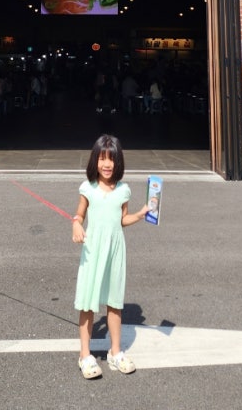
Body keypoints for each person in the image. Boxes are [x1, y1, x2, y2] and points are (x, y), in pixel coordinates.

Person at [72, 134, 149, 379]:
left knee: (115, 302)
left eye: (112, 159)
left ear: (118, 162)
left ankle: (115, 352)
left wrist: (141, 214)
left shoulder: (124, 190)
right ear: (95, 160)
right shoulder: (88, 188)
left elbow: (122, 219)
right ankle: (85, 355)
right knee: (88, 302)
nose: (107, 164)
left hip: (115, 250)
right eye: (102, 159)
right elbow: (79, 215)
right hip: (93, 251)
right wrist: (76, 224)